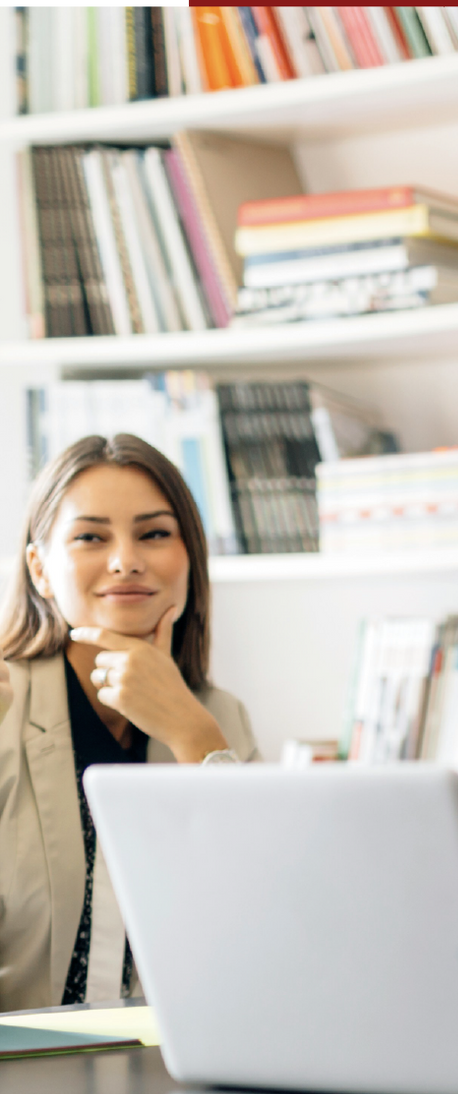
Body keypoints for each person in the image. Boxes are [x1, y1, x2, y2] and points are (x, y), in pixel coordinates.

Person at [0, 434, 262, 1016]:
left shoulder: (220, 720)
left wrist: (195, 738)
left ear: (189, 558)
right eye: (91, 536)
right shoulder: (5, 704)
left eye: (154, 534)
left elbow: (268, 924)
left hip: (175, 1071)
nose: (126, 560)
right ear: (40, 569)